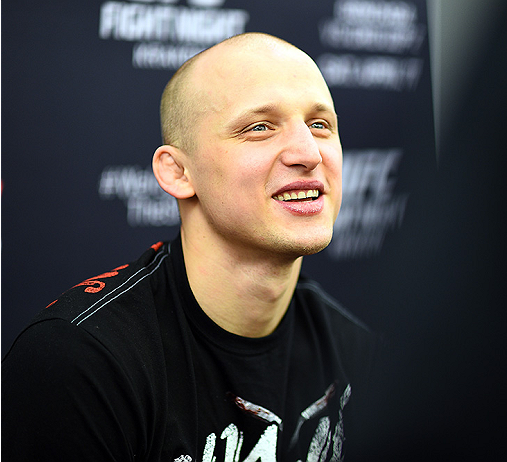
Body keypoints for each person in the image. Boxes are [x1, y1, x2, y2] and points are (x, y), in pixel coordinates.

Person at [1, 32, 380, 461]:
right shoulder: (81, 363)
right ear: (178, 172)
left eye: (319, 125)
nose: (308, 152)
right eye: (259, 127)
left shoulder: (356, 354)